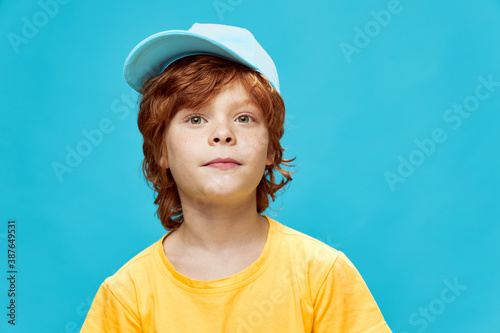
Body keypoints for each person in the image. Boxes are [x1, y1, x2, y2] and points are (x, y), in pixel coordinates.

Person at [80, 23, 392, 332]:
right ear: (161, 150)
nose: (222, 134)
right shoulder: (126, 296)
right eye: (196, 118)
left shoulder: (322, 275)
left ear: (271, 148)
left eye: (244, 118)